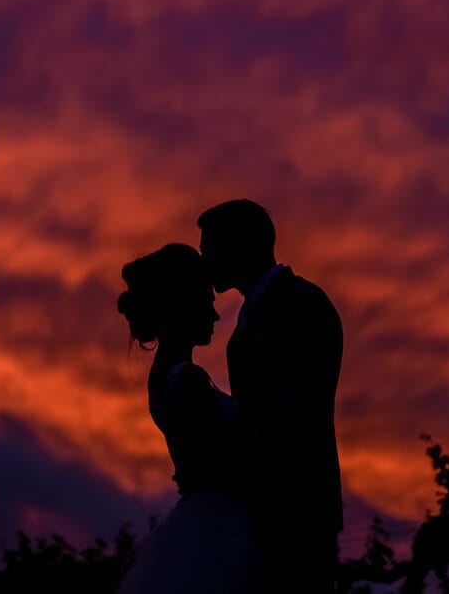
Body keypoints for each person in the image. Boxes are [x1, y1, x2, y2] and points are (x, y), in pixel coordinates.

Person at [199, 199, 343, 593]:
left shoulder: (302, 303)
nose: (204, 257)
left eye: (209, 246)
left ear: (240, 245)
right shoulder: (254, 309)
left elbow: (298, 409)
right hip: (268, 508)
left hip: (298, 507)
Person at [116, 243, 260, 594]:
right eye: (207, 301)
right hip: (224, 526)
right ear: (182, 306)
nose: (214, 315)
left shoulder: (163, 376)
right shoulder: (187, 380)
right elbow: (224, 464)